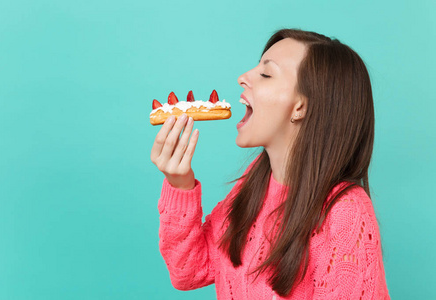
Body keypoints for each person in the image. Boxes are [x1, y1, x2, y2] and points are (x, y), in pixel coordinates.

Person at [150, 28, 390, 299]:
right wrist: (179, 184)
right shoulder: (255, 183)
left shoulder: (346, 212)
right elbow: (189, 271)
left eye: (266, 74)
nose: (243, 78)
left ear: (300, 107)